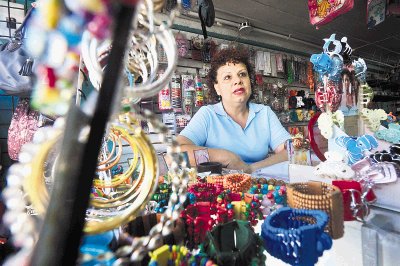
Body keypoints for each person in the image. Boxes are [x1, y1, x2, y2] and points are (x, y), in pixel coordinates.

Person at [177, 47, 291, 174]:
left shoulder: (265, 113)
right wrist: (224, 157)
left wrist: (251, 169)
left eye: (242, 74)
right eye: (227, 77)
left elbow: (291, 151)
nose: (238, 81)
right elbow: (176, 154)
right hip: (219, 190)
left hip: (260, 189)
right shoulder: (208, 115)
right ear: (217, 88)